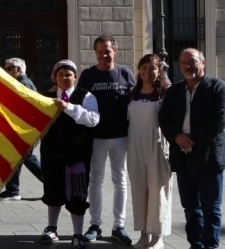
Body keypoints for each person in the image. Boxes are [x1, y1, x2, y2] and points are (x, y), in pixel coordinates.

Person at [159, 48, 225, 249]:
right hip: (183, 156)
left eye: (192, 61)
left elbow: (219, 119)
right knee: (190, 206)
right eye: (183, 62)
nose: (188, 66)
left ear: (202, 63)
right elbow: (164, 117)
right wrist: (176, 136)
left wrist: (192, 139)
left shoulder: (218, 88)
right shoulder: (174, 91)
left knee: (211, 207)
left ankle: (210, 245)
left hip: (208, 156)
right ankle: (195, 243)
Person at [77, 35, 135, 244]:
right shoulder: (88, 75)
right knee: (95, 180)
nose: (104, 55)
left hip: (120, 136)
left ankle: (119, 226)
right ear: (95, 53)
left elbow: (135, 100)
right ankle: (95, 225)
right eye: (100, 51)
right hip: (95, 138)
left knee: (120, 180)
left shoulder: (125, 73)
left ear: (115, 51)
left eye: (107, 50)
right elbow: (78, 102)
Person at [39, 59, 99, 249]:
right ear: (54, 77)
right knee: (53, 190)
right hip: (52, 153)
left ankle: (78, 235)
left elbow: (93, 119)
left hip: (77, 154)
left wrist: (69, 108)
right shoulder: (45, 97)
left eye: (68, 74)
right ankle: (51, 228)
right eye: (60, 74)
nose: (64, 78)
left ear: (76, 76)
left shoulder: (86, 96)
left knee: (77, 194)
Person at [127, 54, 171, 249]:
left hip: (158, 146)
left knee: (158, 191)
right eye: (143, 67)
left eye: (152, 68)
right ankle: (144, 234)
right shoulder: (131, 93)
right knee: (139, 191)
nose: (147, 72)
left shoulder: (166, 94)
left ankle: (158, 235)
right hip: (135, 146)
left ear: (159, 71)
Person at [0, 57, 43, 201]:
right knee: (17, 158)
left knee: (25, 157)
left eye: (9, 68)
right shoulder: (19, 83)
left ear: (19, 69)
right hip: (21, 129)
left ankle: (54, 184)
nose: (7, 71)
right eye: (6, 68)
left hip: (24, 130)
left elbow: (26, 108)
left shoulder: (24, 84)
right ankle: (12, 190)